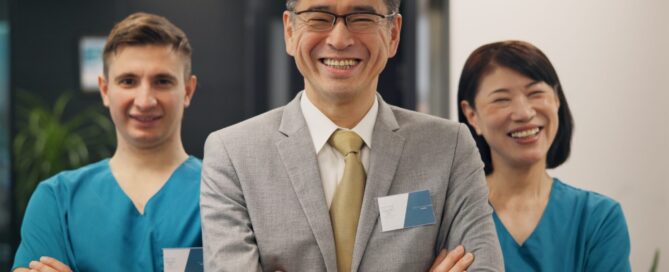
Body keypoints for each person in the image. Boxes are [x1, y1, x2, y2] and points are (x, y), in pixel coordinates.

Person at [200, 0, 503, 271]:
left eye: (362, 18)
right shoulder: (233, 155)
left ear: (393, 34)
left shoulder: (449, 148)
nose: (340, 39)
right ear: (290, 31)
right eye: (319, 17)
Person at [12, 12, 200, 271]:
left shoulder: (222, 194)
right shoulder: (57, 200)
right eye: (128, 81)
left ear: (187, 90)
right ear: (104, 90)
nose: (145, 100)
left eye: (162, 81)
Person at [458, 40, 631, 271]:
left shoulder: (598, 217)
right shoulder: (454, 216)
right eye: (502, 99)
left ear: (557, 99)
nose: (524, 113)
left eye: (535, 93)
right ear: (471, 115)